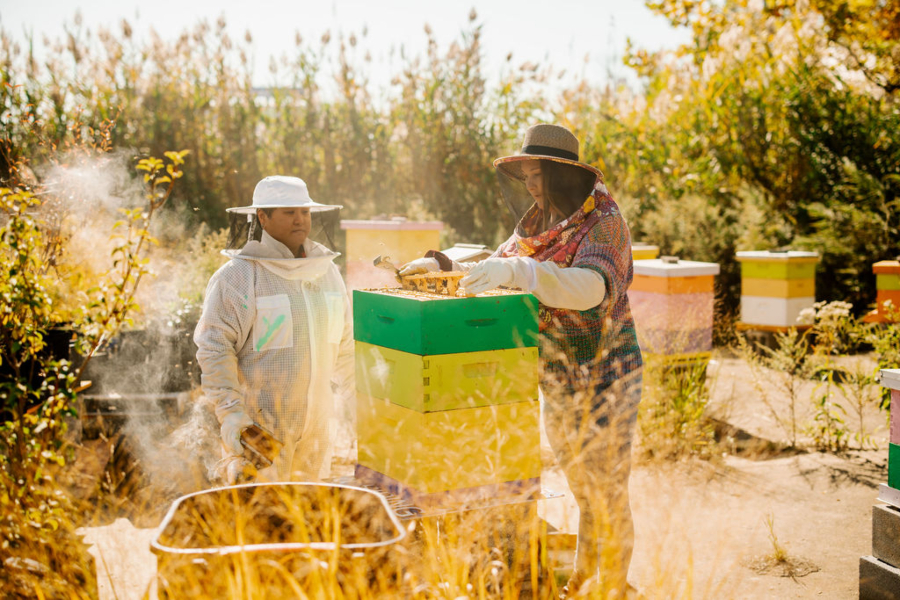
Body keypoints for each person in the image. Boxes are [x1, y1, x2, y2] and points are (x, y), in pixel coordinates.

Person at [401, 124, 643, 596]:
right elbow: (499, 266)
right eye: (525, 176)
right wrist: (443, 266)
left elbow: (591, 288)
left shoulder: (605, 221)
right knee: (583, 487)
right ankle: (584, 579)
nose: (530, 185)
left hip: (607, 375)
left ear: (562, 174)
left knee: (607, 491)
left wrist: (520, 271)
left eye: (538, 175)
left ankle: (611, 587)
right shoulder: (538, 222)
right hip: (557, 373)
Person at [194, 175, 354, 484]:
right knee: (262, 512)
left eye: (305, 212)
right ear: (262, 218)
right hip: (261, 435)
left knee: (307, 510)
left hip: (317, 431)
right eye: (289, 212)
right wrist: (232, 414)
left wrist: (361, 398)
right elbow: (215, 347)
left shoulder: (327, 272)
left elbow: (345, 345)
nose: (300, 220)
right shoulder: (238, 276)